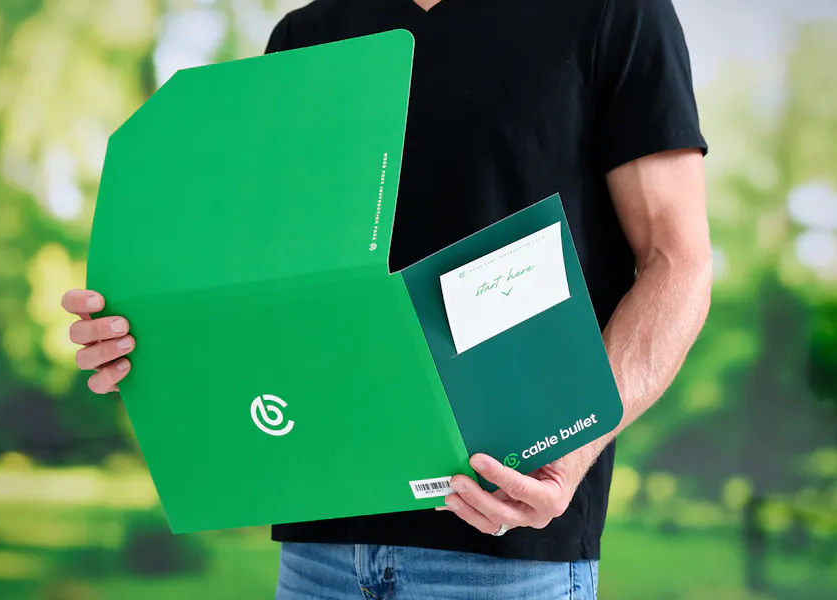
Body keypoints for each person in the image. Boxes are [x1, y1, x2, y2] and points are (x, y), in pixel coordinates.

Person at [61, 0, 712, 597]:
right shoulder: (304, 36)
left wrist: (571, 448)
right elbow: (266, 289)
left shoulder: (614, 12)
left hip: (505, 553)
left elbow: (677, 263)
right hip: (320, 548)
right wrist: (150, 339)